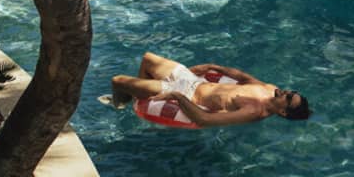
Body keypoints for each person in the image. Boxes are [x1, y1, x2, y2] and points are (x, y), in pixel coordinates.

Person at [103, 51, 311, 127]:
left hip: (187, 94)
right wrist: (213, 66)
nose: (288, 92)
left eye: (290, 97)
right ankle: (140, 102)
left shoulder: (253, 112)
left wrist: (175, 95)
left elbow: (205, 120)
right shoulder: (270, 89)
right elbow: (242, 76)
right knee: (148, 58)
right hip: (194, 81)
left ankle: (120, 105)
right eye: (293, 92)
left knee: (118, 80)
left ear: (283, 112)